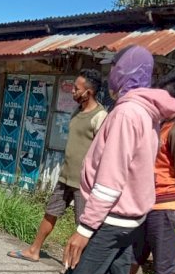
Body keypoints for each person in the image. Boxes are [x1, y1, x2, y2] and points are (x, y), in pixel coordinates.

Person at [53, 45, 175, 274]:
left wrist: (84, 230)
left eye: (114, 69)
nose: (110, 75)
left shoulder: (127, 113)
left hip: (110, 220)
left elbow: (111, 178)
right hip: (130, 220)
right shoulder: (148, 112)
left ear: (124, 72)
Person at [88, 75, 175, 274]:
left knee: (164, 263)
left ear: (172, 100)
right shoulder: (163, 124)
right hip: (149, 202)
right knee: (134, 254)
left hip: (167, 206)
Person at [7, 69, 108, 263]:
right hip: (65, 176)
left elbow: (103, 152)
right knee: (51, 212)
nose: (73, 92)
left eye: (77, 89)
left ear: (89, 92)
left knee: (83, 225)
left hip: (84, 182)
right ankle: (34, 250)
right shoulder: (77, 112)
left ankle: (77, 267)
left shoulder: (100, 117)